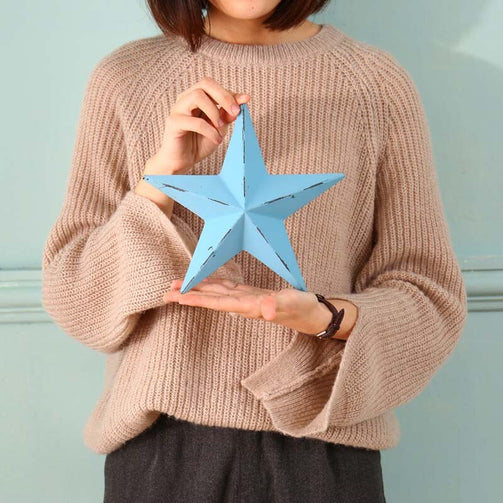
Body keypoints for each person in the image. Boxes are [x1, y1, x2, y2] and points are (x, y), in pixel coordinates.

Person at [41, 0, 468, 501]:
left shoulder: (374, 84)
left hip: (324, 447)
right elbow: (76, 302)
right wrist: (161, 179)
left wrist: (325, 317)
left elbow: (429, 296)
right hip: (163, 452)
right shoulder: (126, 79)